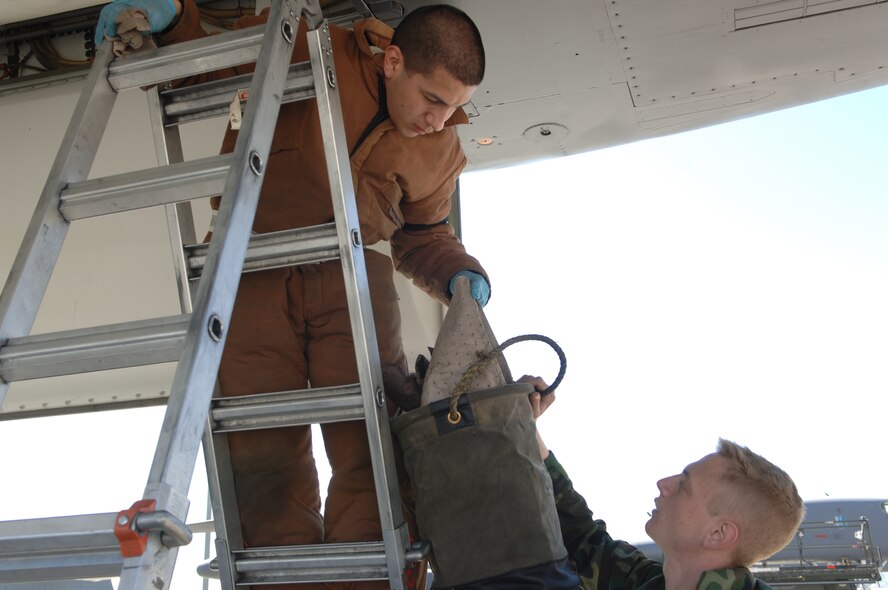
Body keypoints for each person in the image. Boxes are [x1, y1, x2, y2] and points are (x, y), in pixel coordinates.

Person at [95, 3, 491, 589]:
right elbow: (210, 69)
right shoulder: (307, 47)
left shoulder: (440, 151)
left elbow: (424, 237)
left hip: (353, 284)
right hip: (253, 273)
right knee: (261, 457)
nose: (441, 120)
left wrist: (460, 275)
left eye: (455, 107)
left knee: (375, 456)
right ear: (393, 60)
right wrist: (169, 17)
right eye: (433, 99)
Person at [521, 375, 805, 590]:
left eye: (685, 485)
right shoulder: (651, 582)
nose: (663, 484)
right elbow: (584, 539)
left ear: (718, 533)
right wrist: (526, 425)